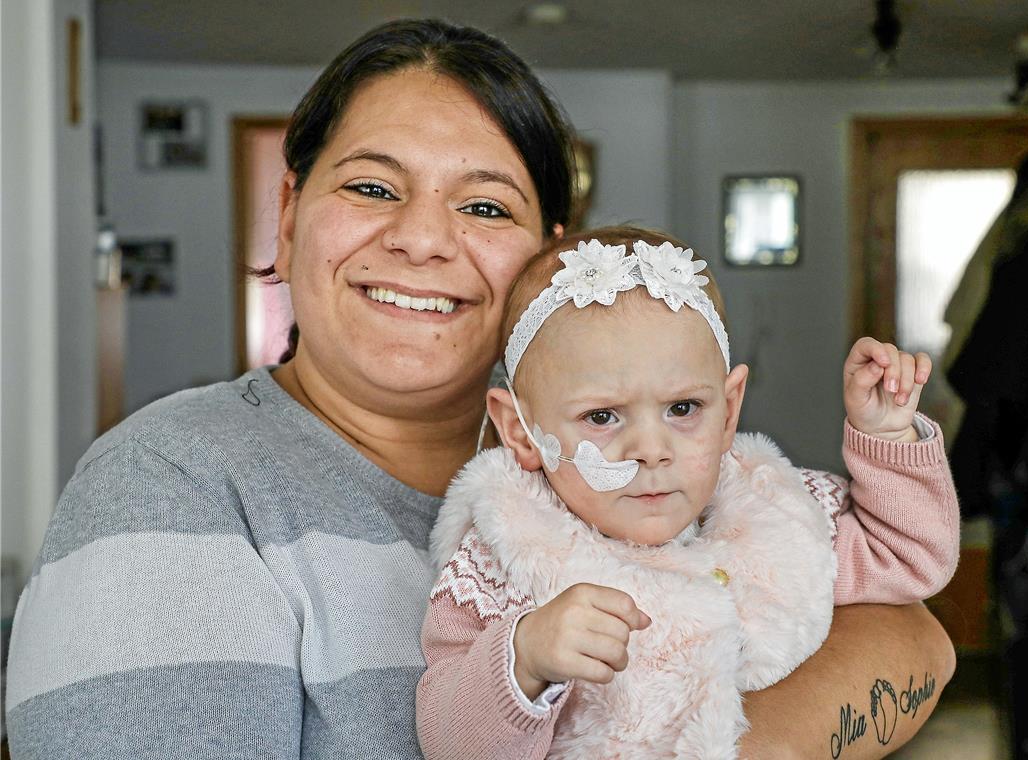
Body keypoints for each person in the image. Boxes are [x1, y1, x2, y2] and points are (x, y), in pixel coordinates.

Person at [4, 19, 955, 760]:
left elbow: (916, 640)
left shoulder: (628, 478)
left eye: (486, 205)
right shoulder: (171, 481)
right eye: (373, 188)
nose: (421, 239)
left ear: (549, 254)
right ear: (290, 212)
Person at [416, 229, 960, 758]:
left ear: (730, 408)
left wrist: (888, 439)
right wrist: (524, 658)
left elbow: (910, 561)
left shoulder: (775, 510)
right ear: (520, 431)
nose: (651, 449)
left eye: (683, 409)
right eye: (602, 416)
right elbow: (447, 741)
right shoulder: (504, 555)